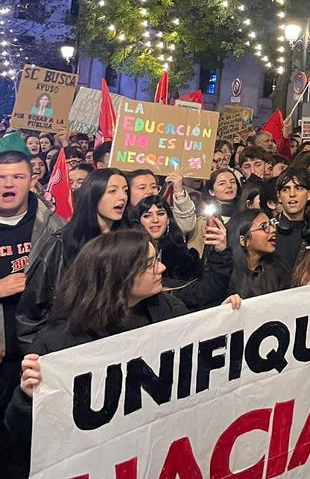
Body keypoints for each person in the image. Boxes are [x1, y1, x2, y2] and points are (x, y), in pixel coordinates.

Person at [5, 230, 195, 442]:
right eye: (150, 263)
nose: (161, 268)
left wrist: (222, 322)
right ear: (119, 275)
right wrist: (27, 399)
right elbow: (18, 434)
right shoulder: (58, 343)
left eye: (157, 259)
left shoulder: (169, 310)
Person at [0, 149, 63, 477]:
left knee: (31, 443)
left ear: (32, 180)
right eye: (1, 177)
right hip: (0, 354)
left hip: (37, 356)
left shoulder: (54, 228)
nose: (8, 184)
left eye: (17, 177)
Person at [16, 168, 128, 353]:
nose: (122, 197)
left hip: (115, 346)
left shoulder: (130, 240)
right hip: (69, 348)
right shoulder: (61, 242)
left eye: (125, 190)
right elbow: (30, 314)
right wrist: (41, 356)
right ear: (93, 194)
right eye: (113, 191)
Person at [134, 194, 232, 311]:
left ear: (168, 220)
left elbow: (204, 292)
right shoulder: (131, 255)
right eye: (147, 215)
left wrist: (220, 251)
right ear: (138, 221)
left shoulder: (182, 256)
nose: (155, 220)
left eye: (160, 214)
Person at [228, 209, 292, 298]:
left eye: (271, 224)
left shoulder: (280, 269)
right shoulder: (226, 274)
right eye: (264, 227)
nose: (273, 230)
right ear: (243, 240)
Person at [274, 168, 310, 268]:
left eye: (298, 188)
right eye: (285, 189)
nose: (292, 194)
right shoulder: (268, 230)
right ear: (279, 196)